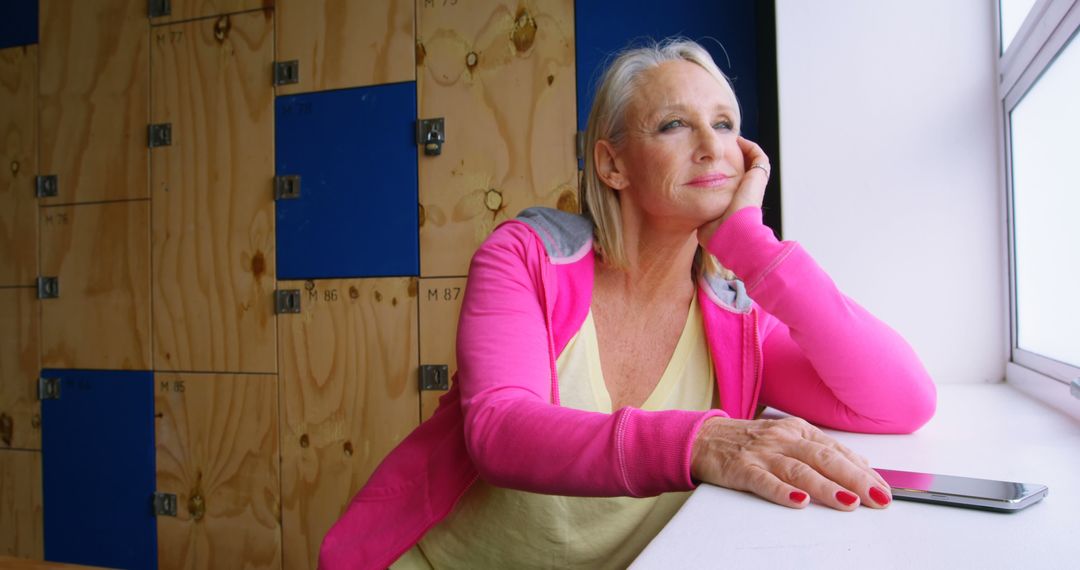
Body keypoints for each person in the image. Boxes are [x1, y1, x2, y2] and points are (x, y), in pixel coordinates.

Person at [319, 38, 936, 570]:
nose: (711, 146)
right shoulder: (527, 257)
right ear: (612, 163)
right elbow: (500, 432)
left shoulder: (736, 320)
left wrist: (756, 248)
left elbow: (902, 401)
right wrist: (698, 443)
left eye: (724, 124)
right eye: (674, 124)